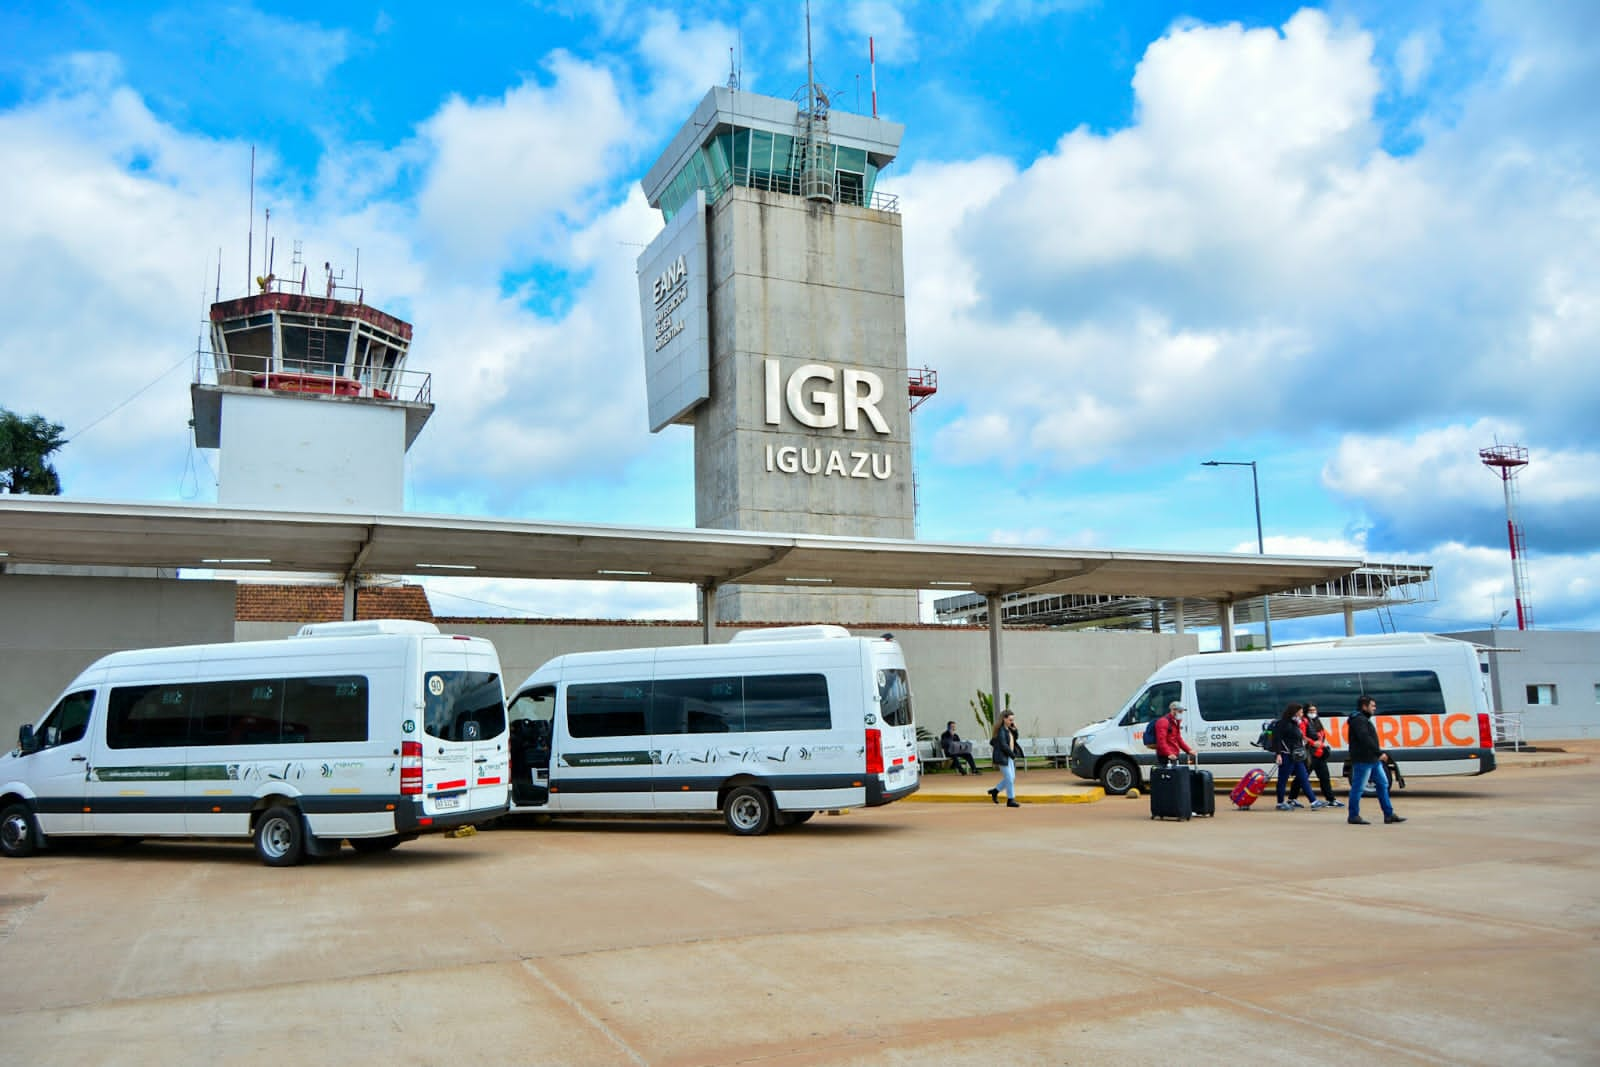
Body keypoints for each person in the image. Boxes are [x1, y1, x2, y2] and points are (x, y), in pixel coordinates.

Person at [1347, 695, 1405, 825]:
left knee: (1383, 784)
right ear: (1364, 706)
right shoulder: (1358, 720)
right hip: (1363, 759)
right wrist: (1378, 753)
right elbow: (1365, 738)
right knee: (1358, 788)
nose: (1375, 708)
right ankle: (1353, 815)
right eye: (1372, 706)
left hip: (1372, 760)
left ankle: (1388, 814)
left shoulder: (1363, 719)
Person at [1272, 703, 1327, 811]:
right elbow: (1276, 740)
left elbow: (1300, 737)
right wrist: (1278, 754)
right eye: (1301, 712)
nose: (1302, 714)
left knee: (1304, 778)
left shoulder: (1295, 723)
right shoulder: (1282, 724)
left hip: (1297, 756)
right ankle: (1280, 802)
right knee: (1283, 779)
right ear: (1294, 712)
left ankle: (1313, 801)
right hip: (1286, 755)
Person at [1286, 703, 1343, 807]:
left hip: (1319, 753)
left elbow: (1321, 734)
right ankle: (1291, 799)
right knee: (1301, 777)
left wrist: (1320, 743)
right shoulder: (1304, 722)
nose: (1313, 713)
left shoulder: (1316, 722)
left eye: (1314, 710)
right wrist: (1313, 742)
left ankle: (1331, 799)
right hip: (1310, 754)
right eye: (1310, 711)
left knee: (1325, 777)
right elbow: (1301, 736)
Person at [986, 710, 1023, 808]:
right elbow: (1003, 745)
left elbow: (1015, 738)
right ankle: (1010, 800)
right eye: (1010, 719)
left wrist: (1015, 729)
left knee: (1011, 778)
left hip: (1008, 757)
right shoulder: (1001, 731)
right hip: (1003, 757)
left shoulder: (1008, 729)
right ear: (1004, 719)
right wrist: (1013, 755)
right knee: (1009, 778)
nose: (1012, 721)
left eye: (1013, 719)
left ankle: (995, 791)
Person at [1154, 701, 1195, 767]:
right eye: (1180, 711)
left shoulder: (1175, 722)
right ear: (1173, 710)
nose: (1181, 713)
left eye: (1182, 711)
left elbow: (1178, 739)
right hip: (1165, 756)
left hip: (1174, 755)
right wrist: (1169, 753)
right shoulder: (1163, 722)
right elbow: (1161, 741)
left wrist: (1188, 750)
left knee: (1175, 775)